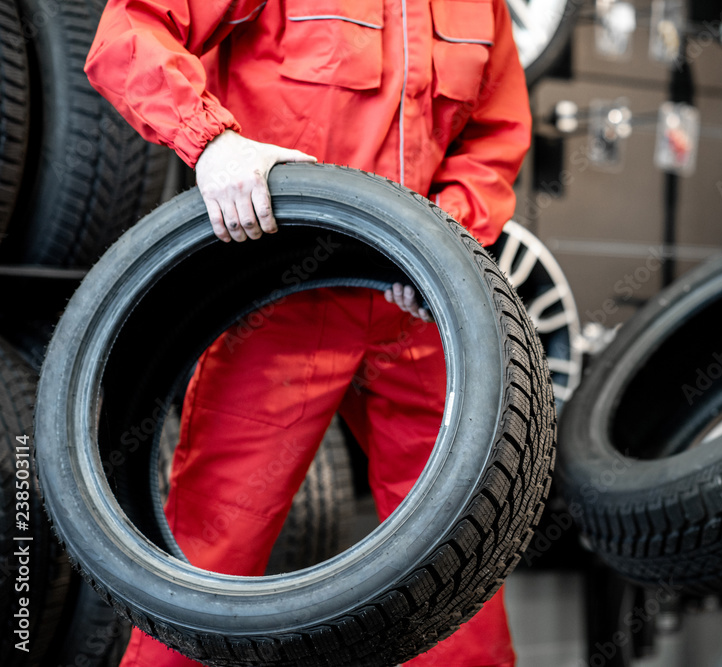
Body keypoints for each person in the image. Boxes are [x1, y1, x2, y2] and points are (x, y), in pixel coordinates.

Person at [85, 1, 531, 665]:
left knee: (460, 552)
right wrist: (211, 141)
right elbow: (127, 33)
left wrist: (447, 236)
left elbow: (495, 136)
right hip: (283, 298)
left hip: (418, 301)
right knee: (207, 562)